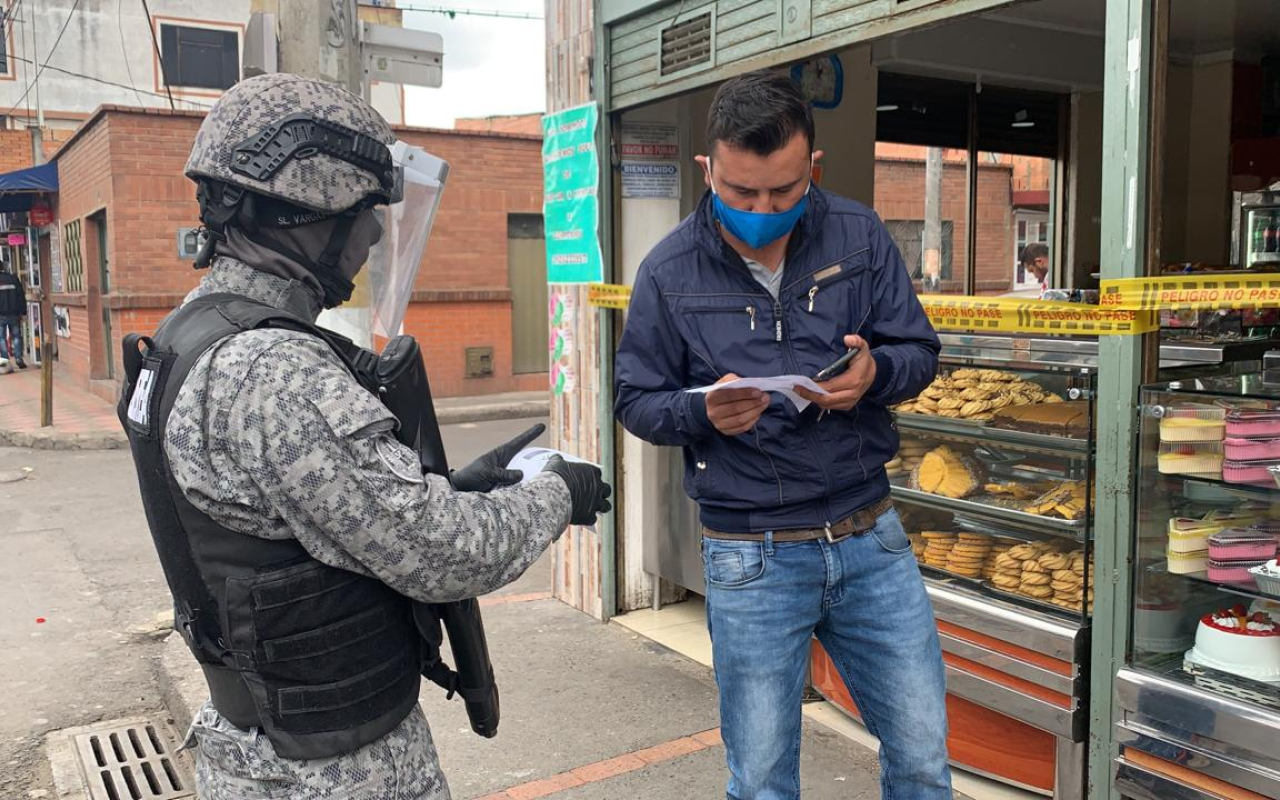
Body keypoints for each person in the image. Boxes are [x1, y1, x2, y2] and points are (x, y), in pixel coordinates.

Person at [116, 73, 611, 800]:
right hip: (331, 773)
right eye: (362, 211)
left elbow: (312, 523)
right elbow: (447, 553)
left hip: (264, 752)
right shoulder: (273, 372)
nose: (376, 231)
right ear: (303, 214)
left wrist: (444, 487)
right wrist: (557, 493)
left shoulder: (194, 332)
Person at [614, 70, 950, 800]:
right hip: (751, 557)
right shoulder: (666, 271)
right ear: (709, 170)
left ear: (812, 169)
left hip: (871, 541)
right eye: (741, 193)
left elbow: (919, 351)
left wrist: (877, 371)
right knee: (763, 781)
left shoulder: (859, 236)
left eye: (784, 191)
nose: (763, 209)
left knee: (923, 763)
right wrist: (700, 412)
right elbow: (636, 400)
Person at [0, 259, 27, 372]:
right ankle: (18, 358)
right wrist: (23, 311)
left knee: (1, 338)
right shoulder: (13, 278)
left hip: (0, 315)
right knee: (16, 336)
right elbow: (21, 295)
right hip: (14, 314)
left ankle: (6, 362)